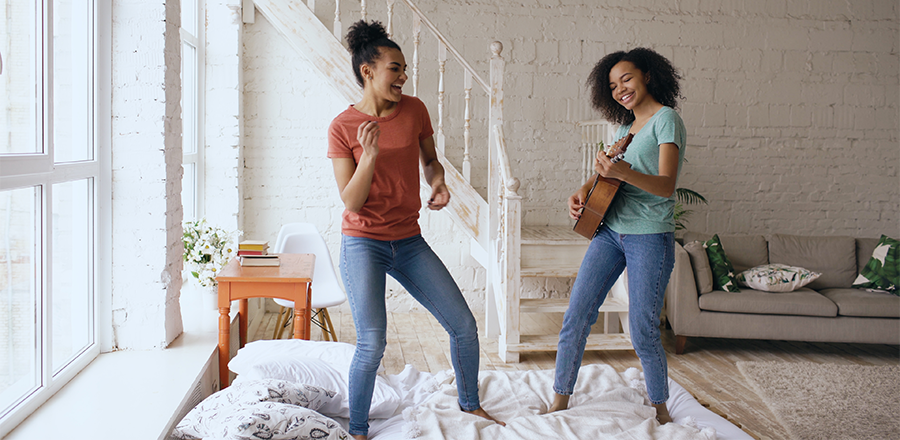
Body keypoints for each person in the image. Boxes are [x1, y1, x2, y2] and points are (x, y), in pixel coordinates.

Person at [327, 20, 504, 439]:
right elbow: (351, 201)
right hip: (363, 243)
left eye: (404, 69)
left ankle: (470, 404)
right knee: (372, 344)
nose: (403, 76)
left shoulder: (415, 109)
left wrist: (438, 182)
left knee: (463, 325)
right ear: (368, 70)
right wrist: (368, 154)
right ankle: (357, 430)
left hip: (408, 241)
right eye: (395, 68)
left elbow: (430, 160)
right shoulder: (342, 127)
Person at [549, 47, 686, 424]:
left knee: (642, 327)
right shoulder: (626, 129)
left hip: (649, 237)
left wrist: (621, 172)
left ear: (647, 75)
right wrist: (581, 190)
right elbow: (607, 175)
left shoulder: (665, 120)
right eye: (612, 85)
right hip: (610, 233)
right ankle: (560, 399)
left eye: (626, 78)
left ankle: (659, 407)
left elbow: (666, 186)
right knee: (576, 315)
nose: (620, 89)